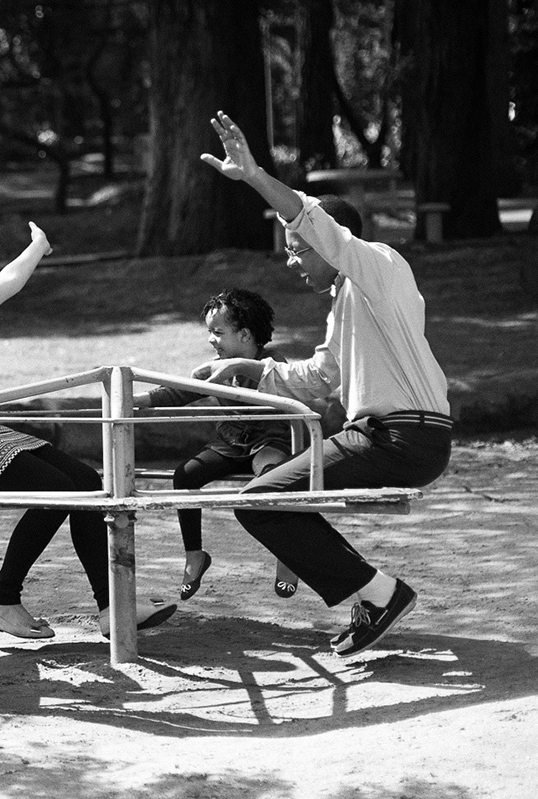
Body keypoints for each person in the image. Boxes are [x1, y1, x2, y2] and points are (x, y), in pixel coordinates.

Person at [197, 110, 452, 658]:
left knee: (259, 501)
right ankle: (371, 595)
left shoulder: (379, 266)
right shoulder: (347, 308)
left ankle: (383, 594)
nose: (291, 260)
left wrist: (256, 176)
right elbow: (317, 379)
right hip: (396, 436)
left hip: (399, 436)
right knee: (276, 500)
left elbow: (313, 220)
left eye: (298, 247)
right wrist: (248, 369)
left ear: (332, 243)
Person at [0, 216, 176, 639]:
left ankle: (112, 608)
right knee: (62, 491)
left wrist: (38, 245)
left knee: (86, 481)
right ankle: (3, 601)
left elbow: (10, 281)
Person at [135, 288, 295, 601]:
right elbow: (185, 390)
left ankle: (287, 554)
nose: (211, 339)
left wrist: (237, 374)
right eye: (209, 332)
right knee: (184, 476)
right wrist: (142, 399)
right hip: (230, 443)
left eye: (218, 332)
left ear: (245, 335)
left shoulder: (273, 363)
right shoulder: (218, 365)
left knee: (272, 479)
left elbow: (291, 391)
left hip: (269, 441)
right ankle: (195, 555)